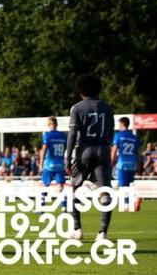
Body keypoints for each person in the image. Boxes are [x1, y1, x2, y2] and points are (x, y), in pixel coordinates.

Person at [65, 73, 115, 241]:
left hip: (83, 151)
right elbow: (111, 134)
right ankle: (102, 233)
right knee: (105, 193)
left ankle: (77, 229)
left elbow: (72, 134)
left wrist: (67, 158)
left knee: (75, 190)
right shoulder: (107, 108)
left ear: (81, 90)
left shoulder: (77, 108)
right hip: (102, 150)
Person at [111, 117, 141, 211]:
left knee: (123, 186)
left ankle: (127, 205)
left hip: (122, 164)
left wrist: (112, 161)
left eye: (119, 124)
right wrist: (138, 164)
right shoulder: (134, 137)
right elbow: (137, 152)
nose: (118, 126)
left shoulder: (118, 135)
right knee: (129, 185)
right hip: (132, 164)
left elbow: (115, 149)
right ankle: (134, 200)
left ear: (123, 124)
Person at [39, 116, 67, 211]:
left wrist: (41, 164)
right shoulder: (63, 136)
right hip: (60, 165)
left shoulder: (47, 135)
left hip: (49, 165)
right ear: (57, 124)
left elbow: (44, 149)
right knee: (60, 186)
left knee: (45, 185)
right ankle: (64, 207)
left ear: (49, 124)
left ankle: (41, 207)